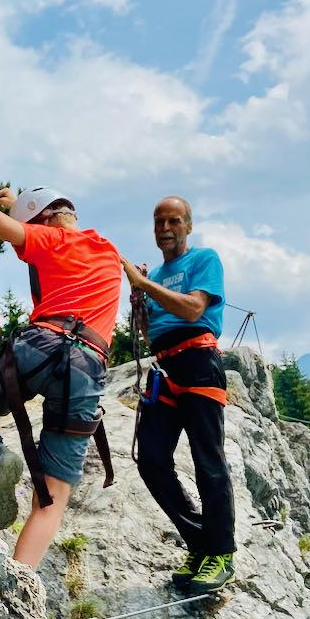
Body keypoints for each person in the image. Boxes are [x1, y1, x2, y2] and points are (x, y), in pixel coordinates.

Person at [0, 176, 122, 567]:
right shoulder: (108, 251)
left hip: (40, 345)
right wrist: (18, 205)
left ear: (43, 222)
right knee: (51, 497)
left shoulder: (53, 240)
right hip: (88, 364)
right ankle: (18, 579)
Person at [122, 196, 235, 592]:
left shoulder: (204, 260)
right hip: (166, 364)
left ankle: (220, 553)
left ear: (188, 225)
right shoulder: (157, 275)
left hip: (199, 359)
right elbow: (147, 333)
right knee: (150, 458)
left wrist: (144, 285)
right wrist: (139, 301)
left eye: (173, 221)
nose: (165, 229)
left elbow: (192, 310)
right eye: (159, 223)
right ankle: (201, 543)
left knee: (208, 460)